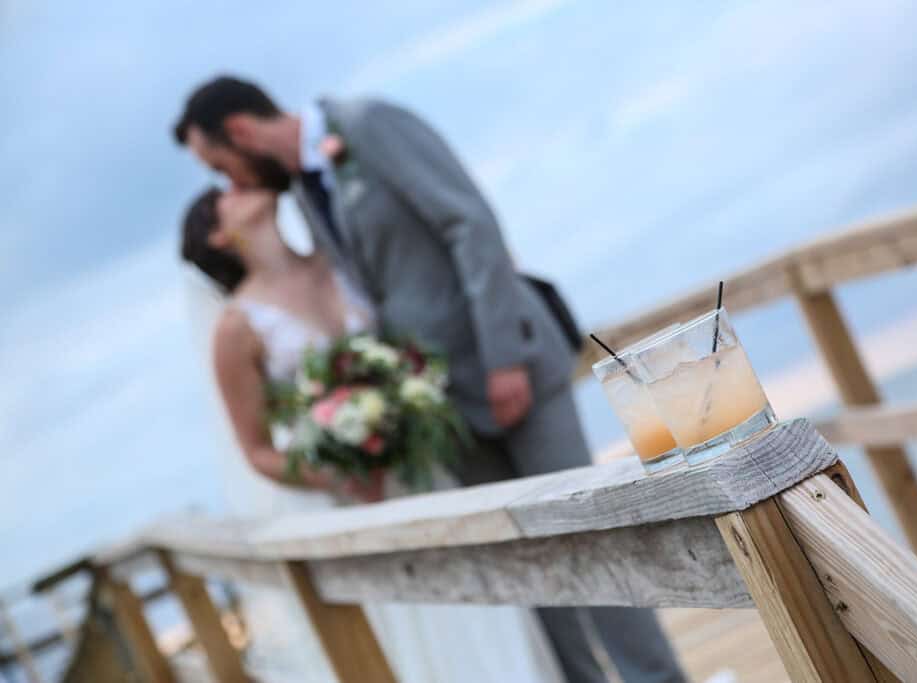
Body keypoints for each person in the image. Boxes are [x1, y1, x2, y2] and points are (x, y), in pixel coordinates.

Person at [174, 75, 687, 683]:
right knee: (532, 573)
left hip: (510, 369)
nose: (229, 184)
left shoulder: (366, 124)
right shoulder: (308, 198)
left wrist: (502, 361)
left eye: (220, 165)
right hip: (438, 411)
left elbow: (468, 224)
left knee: (601, 539)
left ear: (239, 131)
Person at [180, 186, 567, 682]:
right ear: (218, 234)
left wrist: (412, 404)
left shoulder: (336, 259)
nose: (241, 186)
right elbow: (256, 452)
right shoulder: (235, 328)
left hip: (423, 472)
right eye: (225, 195)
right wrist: (341, 477)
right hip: (355, 502)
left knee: (492, 618)